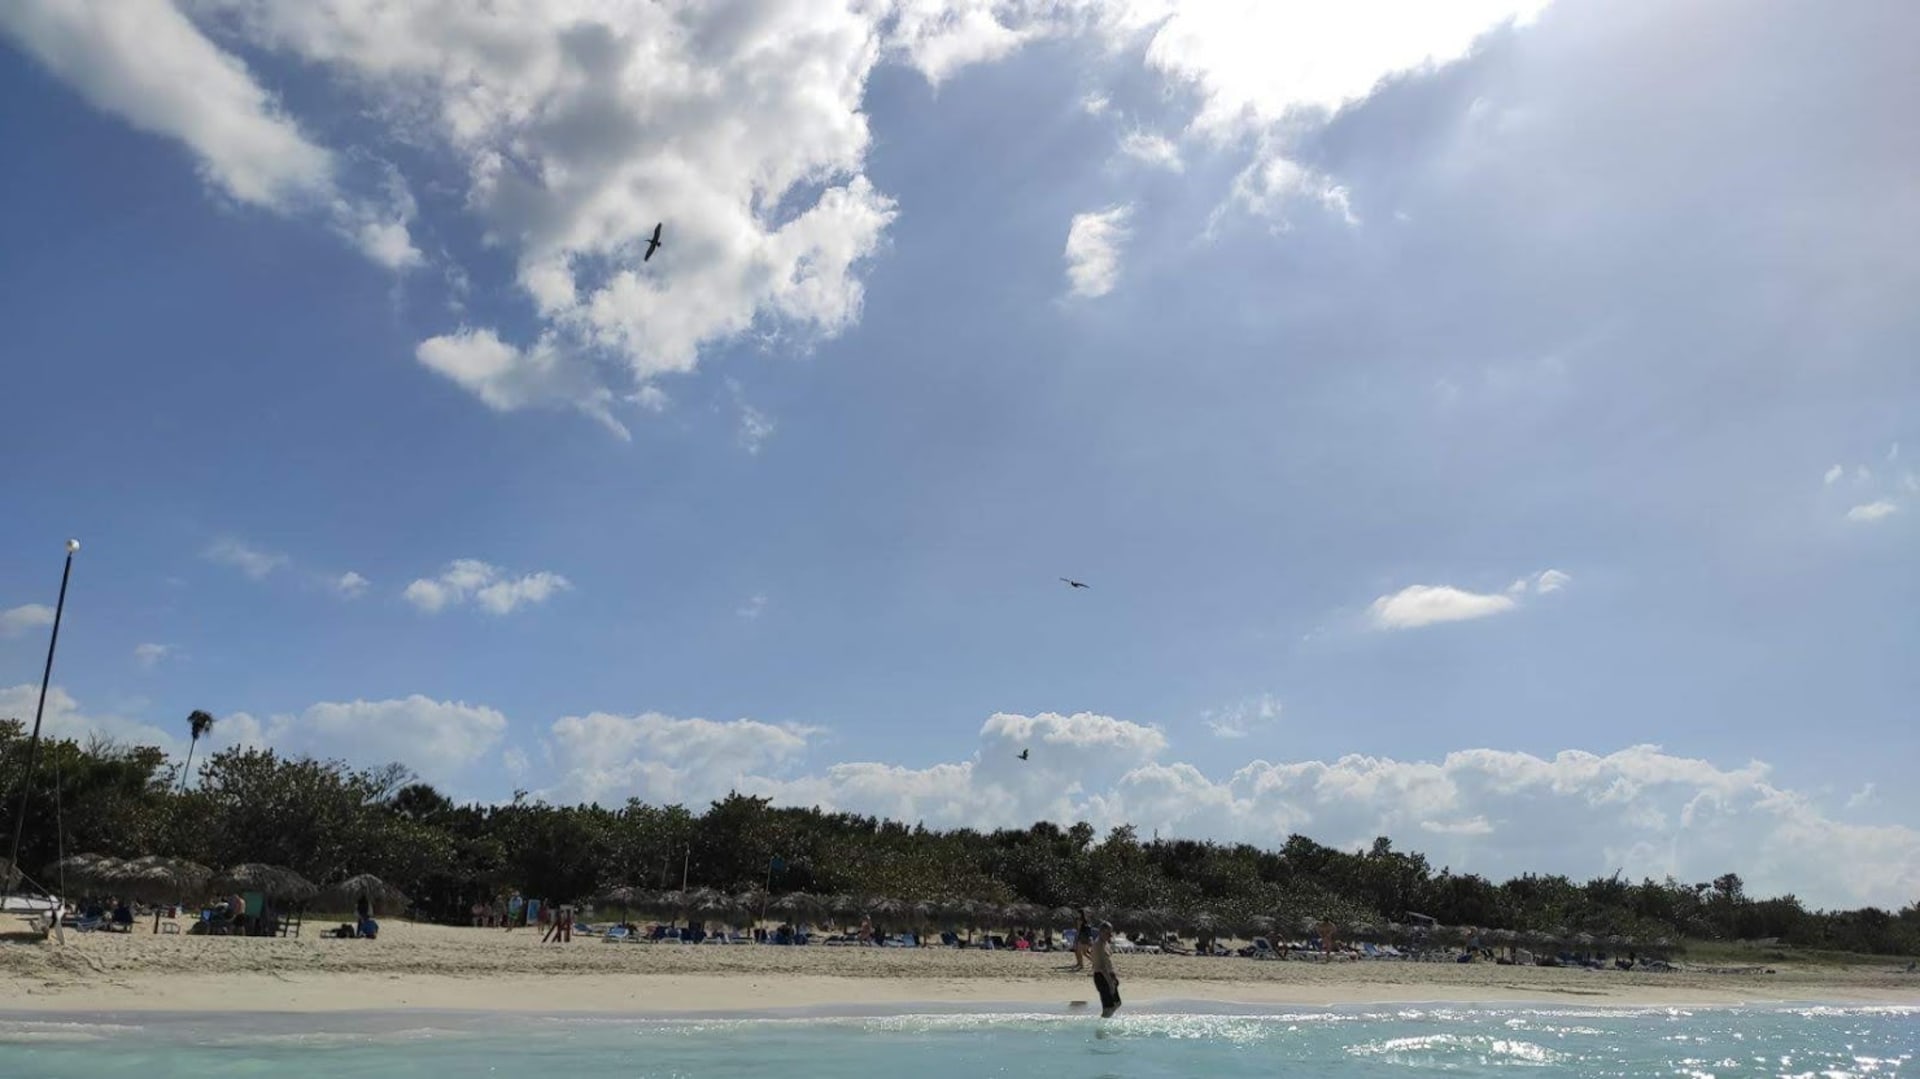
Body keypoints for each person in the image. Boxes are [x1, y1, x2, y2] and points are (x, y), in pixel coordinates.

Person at [1089, 920, 1122, 1018]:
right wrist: (1110, 983)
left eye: (1111, 932)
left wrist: (1114, 977)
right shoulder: (1098, 945)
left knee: (1117, 1003)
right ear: (1101, 932)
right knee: (1108, 1008)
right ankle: (1101, 1024)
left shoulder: (1105, 943)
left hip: (1109, 975)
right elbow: (1101, 967)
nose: (1110, 935)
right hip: (1102, 977)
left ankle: (1106, 1021)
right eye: (1108, 933)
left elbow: (1108, 961)